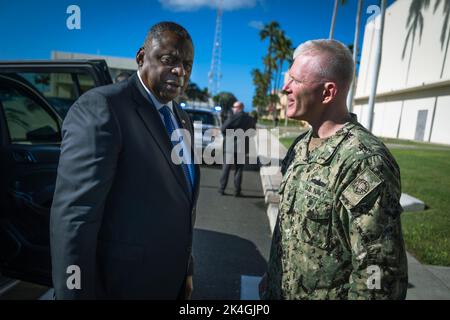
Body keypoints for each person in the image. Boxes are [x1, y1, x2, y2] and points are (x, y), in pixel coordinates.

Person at [50, 21, 200, 299]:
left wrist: (186, 271)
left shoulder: (183, 119)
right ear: (141, 57)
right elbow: (75, 216)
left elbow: (183, 201)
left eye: (188, 65)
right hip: (119, 286)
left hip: (169, 282)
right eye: (169, 60)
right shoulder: (102, 108)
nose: (180, 71)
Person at [259, 39, 408, 300]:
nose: (285, 88)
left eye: (296, 80)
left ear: (328, 93)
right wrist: (271, 277)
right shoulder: (301, 146)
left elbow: (378, 273)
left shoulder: (363, 162)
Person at [218, 101, 256, 197]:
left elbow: (223, 128)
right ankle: (237, 191)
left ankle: (222, 189)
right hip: (242, 147)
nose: (233, 109)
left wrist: (228, 136)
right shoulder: (250, 119)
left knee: (226, 168)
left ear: (239, 107)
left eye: (234, 107)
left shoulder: (233, 117)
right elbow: (253, 132)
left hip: (230, 146)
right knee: (239, 170)